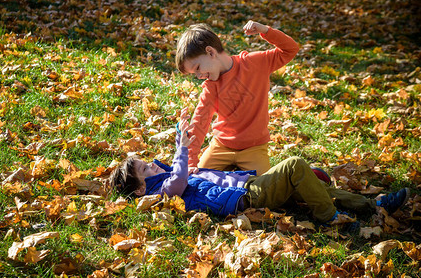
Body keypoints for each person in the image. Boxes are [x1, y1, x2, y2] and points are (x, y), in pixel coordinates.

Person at [110, 111, 410, 227]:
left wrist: (182, 137)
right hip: (245, 199)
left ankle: (373, 204)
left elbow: (182, 169)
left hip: (247, 188)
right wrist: (182, 148)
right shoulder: (160, 191)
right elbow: (177, 180)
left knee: (313, 185)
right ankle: (328, 217)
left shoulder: (164, 178)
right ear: (139, 188)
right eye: (144, 168)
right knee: (294, 165)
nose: (151, 165)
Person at [175, 20, 300, 176]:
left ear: (210, 52)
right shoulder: (211, 87)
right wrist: (191, 162)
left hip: (254, 148)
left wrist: (266, 31)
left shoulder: (255, 63)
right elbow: (199, 123)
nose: (199, 76)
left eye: (198, 68)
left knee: (265, 189)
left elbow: (290, 49)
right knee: (199, 180)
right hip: (221, 147)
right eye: (195, 74)